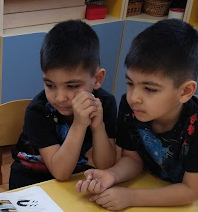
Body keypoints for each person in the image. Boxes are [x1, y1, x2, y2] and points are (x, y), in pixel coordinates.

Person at [76, 19, 198, 212]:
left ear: (185, 91)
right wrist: (111, 175)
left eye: (149, 89)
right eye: (130, 83)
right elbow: (132, 159)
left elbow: (190, 191)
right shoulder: (131, 108)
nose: (134, 98)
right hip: (152, 189)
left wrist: (130, 197)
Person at [9, 20, 117, 189]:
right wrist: (79, 124)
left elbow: (106, 166)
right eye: (50, 85)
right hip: (29, 179)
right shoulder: (38, 111)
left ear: (97, 79)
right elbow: (60, 172)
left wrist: (98, 127)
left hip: (72, 175)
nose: (59, 98)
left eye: (72, 86)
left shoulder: (105, 103)